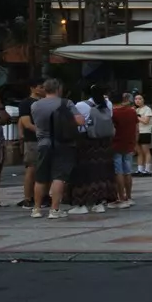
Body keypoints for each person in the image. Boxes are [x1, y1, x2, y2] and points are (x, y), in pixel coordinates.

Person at [30, 77, 78, 218]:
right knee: (59, 176)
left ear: (45, 89)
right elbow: (79, 120)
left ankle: (37, 209)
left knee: (40, 177)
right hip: (62, 143)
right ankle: (54, 209)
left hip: (43, 143)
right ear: (59, 89)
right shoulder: (66, 103)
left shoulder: (35, 106)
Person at [70, 85, 118, 214]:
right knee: (101, 172)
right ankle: (99, 203)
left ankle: (82, 203)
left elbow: (75, 121)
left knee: (85, 173)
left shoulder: (81, 105)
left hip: (87, 142)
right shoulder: (108, 104)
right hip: (105, 143)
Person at [107, 87, 139, 207]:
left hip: (115, 144)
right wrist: (135, 143)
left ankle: (121, 197)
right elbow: (137, 130)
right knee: (128, 171)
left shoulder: (112, 113)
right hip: (129, 144)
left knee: (118, 172)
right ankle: (129, 197)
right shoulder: (132, 111)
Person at [133, 92, 152, 174]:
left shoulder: (147, 109)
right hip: (137, 132)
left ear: (143, 100)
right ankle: (140, 169)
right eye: (136, 99)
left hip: (145, 132)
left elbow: (146, 121)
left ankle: (147, 169)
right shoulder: (136, 109)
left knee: (146, 151)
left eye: (140, 99)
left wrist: (136, 116)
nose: (137, 101)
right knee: (139, 152)